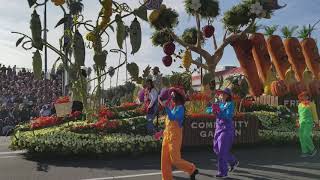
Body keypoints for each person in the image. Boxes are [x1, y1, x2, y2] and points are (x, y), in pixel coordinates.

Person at [158, 87, 199, 180]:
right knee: (164, 161)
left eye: (172, 96)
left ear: (177, 98)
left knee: (175, 160)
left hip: (175, 137)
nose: (171, 97)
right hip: (167, 137)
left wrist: (166, 107)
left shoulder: (180, 109)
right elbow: (169, 125)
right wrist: (161, 133)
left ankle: (192, 169)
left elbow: (173, 118)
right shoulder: (174, 108)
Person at [210, 88, 239, 178]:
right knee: (217, 149)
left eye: (224, 94)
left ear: (228, 96)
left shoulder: (230, 104)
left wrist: (218, 112)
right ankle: (233, 161)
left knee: (222, 150)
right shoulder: (220, 104)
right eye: (221, 94)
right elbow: (209, 110)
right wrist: (212, 110)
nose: (221, 95)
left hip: (226, 129)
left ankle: (223, 172)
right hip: (218, 129)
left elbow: (227, 116)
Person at [297, 91, 318, 157]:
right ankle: (305, 151)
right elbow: (299, 115)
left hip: (309, 123)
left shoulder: (312, 104)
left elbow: (314, 114)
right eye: (303, 96)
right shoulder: (300, 105)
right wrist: (298, 122)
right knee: (301, 137)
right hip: (301, 123)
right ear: (301, 97)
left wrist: (316, 123)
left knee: (306, 135)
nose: (305, 97)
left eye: (306, 96)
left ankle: (313, 149)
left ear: (308, 97)